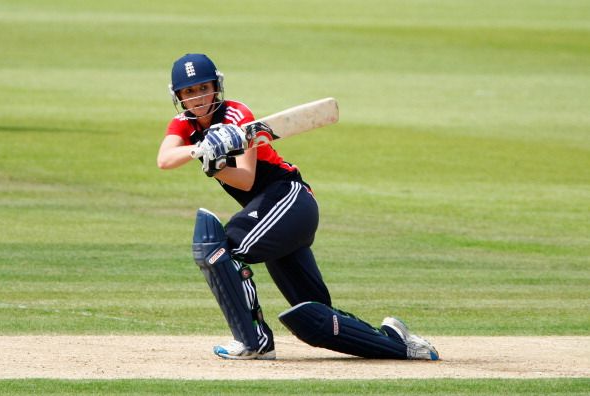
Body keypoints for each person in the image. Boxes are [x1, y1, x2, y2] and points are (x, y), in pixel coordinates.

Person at [157, 53, 439, 361]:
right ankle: (399, 343)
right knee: (315, 319)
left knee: (221, 249)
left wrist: (217, 164)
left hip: (288, 199)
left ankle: (255, 342)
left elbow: (246, 180)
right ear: (179, 97)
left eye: (203, 88)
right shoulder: (184, 125)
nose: (197, 98)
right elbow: (165, 159)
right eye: (188, 92)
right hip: (271, 216)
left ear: (216, 87)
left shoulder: (237, 115)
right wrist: (202, 148)